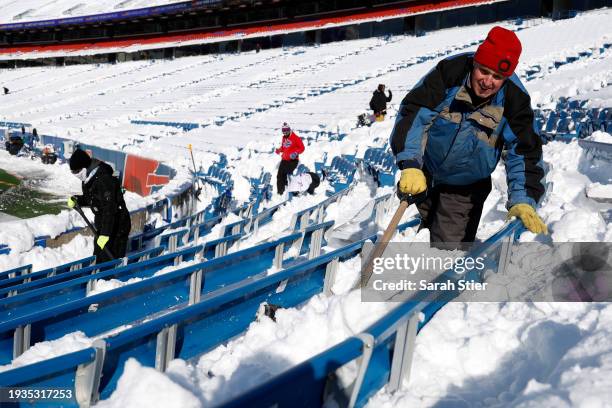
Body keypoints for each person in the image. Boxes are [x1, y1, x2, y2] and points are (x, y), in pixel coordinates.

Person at [390, 26, 547, 249]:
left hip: (464, 188)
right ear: (475, 62)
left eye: (498, 77)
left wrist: (523, 199)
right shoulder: (449, 73)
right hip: (424, 174)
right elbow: (415, 114)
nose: (488, 81)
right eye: (484, 71)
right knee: (417, 236)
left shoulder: (514, 99)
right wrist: (411, 164)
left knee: (446, 253)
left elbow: (523, 152)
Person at [67, 148, 131, 263]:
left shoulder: (104, 180)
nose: (75, 175)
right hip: (104, 224)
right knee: (99, 258)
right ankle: (101, 279)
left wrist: (105, 234)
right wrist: (77, 200)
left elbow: (110, 208)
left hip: (117, 225)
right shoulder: (88, 179)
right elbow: (93, 199)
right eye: (73, 172)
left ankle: (115, 279)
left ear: (84, 167)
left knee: (110, 261)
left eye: (76, 171)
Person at [275, 123, 304, 195]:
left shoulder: (296, 138)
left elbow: (302, 148)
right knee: (279, 176)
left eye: (286, 130)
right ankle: (280, 192)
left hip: (292, 161)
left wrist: (296, 153)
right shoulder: (284, 138)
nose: (285, 132)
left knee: (287, 173)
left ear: (289, 129)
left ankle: (293, 190)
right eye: (283, 130)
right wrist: (279, 150)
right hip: (284, 160)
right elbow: (283, 147)